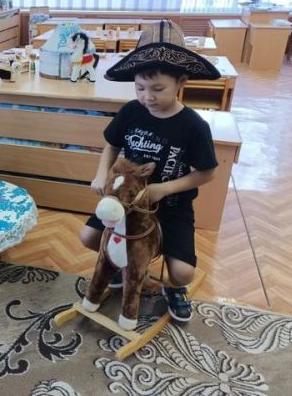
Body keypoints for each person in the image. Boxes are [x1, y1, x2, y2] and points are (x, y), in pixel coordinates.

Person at [79, 20, 221, 323]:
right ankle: (122, 267)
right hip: (126, 203)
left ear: (181, 82)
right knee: (88, 237)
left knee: (182, 272)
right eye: (140, 88)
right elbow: (111, 145)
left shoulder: (194, 125)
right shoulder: (132, 111)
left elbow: (207, 172)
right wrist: (102, 174)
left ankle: (173, 289)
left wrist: (163, 189)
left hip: (170, 206)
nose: (148, 97)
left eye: (158, 89)